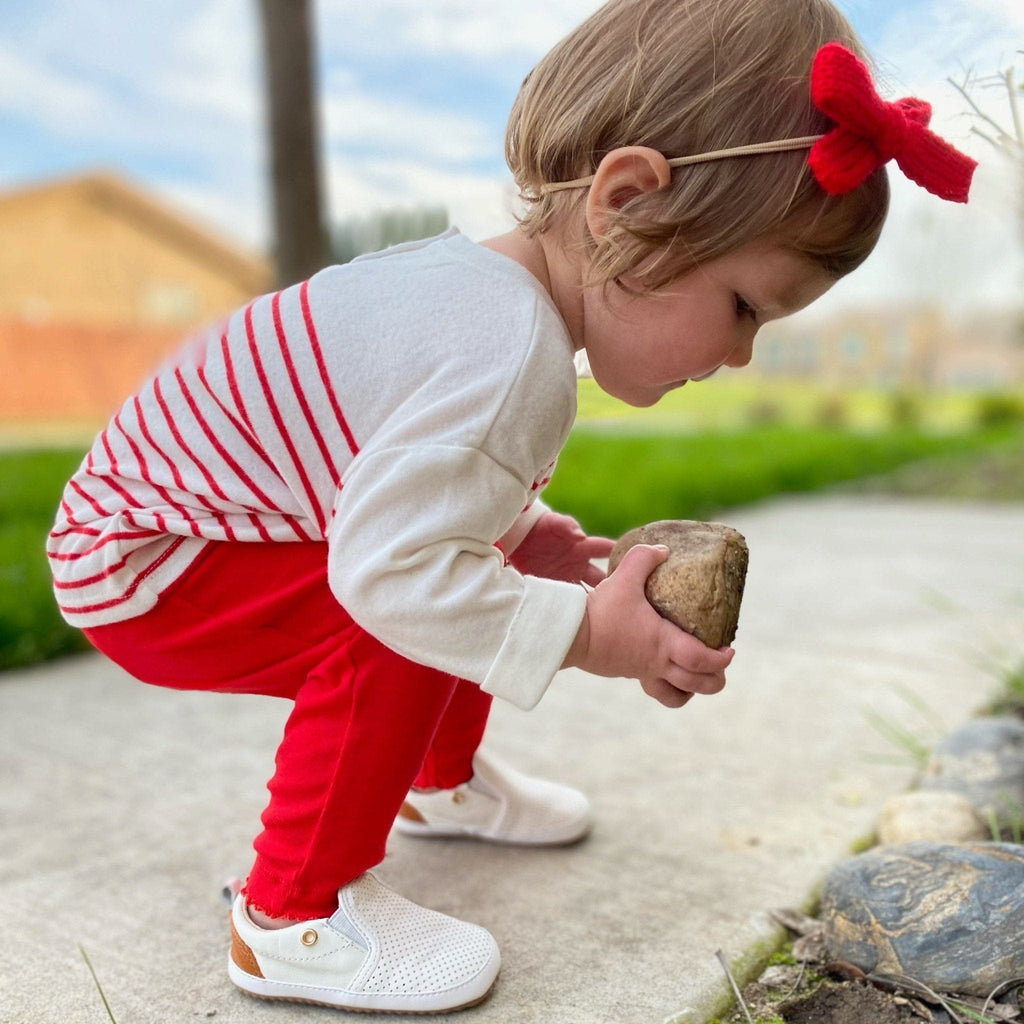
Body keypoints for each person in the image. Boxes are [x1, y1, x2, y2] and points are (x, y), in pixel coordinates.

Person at [48, 0, 974, 1013]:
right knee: (400, 609)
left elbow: (386, 466)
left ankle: (437, 780)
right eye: (743, 306)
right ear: (623, 203)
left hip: (195, 530)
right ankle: (290, 915)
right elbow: (392, 572)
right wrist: (591, 634)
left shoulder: (480, 298)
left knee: (464, 564)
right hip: (150, 565)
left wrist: (524, 536)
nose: (739, 356)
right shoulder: (507, 356)